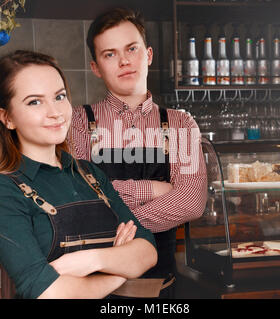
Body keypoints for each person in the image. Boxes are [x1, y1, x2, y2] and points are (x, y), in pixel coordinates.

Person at [0, 50, 157, 299]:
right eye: (34, 102)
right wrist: (120, 271)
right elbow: (49, 293)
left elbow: (147, 251)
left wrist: (90, 260)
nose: (55, 112)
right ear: (7, 118)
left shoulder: (90, 174)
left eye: (59, 97)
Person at [71, 8, 207, 298]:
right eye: (109, 54)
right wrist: (156, 189)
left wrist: (115, 221)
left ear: (148, 55)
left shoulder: (181, 124)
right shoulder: (78, 122)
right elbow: (80, 201)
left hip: (162, 291)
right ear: (96, 67)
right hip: (97, 292)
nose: (123, 61)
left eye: (131, 49)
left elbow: (192, 202)